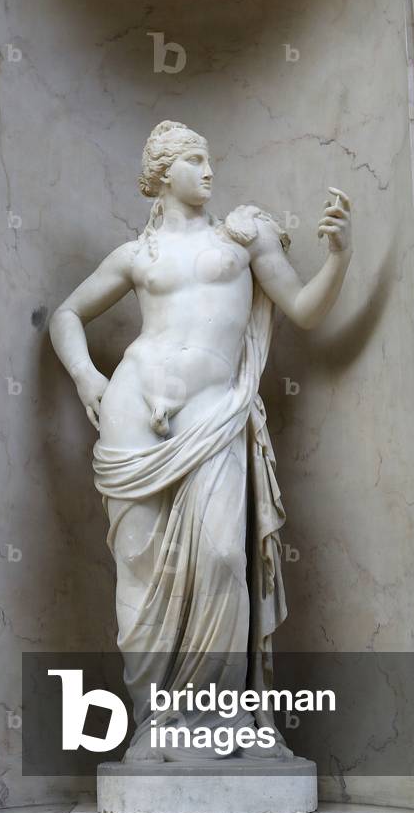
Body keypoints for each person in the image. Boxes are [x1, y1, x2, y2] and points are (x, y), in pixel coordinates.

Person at [49, 120, 353, 762]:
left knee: (220, 558)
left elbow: (303, 309)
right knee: (139, 577)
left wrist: (339, 257)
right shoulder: (136, 256)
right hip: (133, 417)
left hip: (214, 416)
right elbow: (67, 314)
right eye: (194, 159)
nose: (209, 170)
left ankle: (221, 725)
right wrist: (86, 377)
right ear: (163, 174)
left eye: (209, 158)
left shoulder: (243, 235)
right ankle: (153, 727)